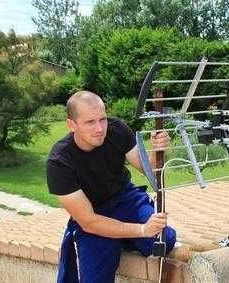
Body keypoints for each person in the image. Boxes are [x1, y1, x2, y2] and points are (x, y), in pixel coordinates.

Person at [46, 91, 176, 283]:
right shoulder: (59, 162)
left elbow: (148, 169)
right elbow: (89, 222)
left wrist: (158, 150)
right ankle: (119, 236)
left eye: (102, 119)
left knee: (165, 240)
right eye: (90, 122)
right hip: (94, 214)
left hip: (126, 200)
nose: (100, 128)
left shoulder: (117, 130)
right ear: (71, 125)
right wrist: (141, 230)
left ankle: (118, 235)